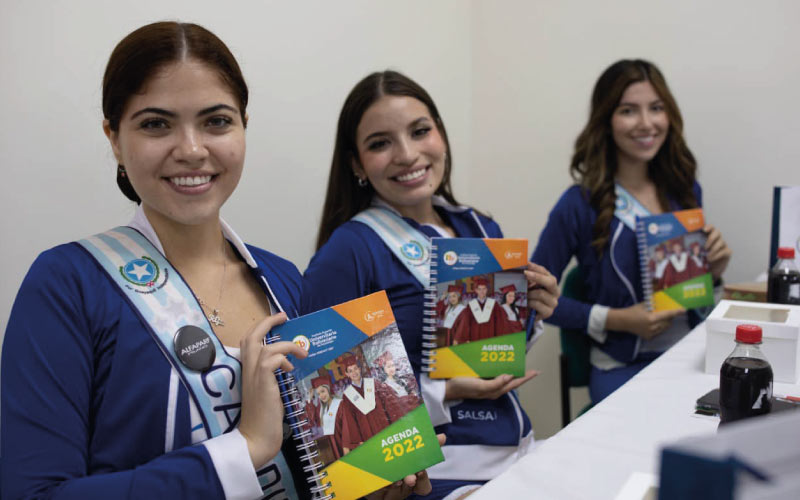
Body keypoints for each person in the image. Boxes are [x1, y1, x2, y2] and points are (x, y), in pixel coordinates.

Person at [0, 22, 432, 500]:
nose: (191, 149)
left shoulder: (284, 281)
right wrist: (242, 451)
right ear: (115, 138)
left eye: (216, 121)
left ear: (244, 125)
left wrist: (369, 485)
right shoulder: (68, 285)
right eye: (155, 124)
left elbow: (320, 467)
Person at [301, 70, 559, 499]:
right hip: (437, 473)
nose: (407, 154)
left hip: (521, 446)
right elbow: (330, 408)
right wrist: (445, 390)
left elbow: (496, 349)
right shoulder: (347, 253)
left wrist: (536, 309)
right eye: (380, 143)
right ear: (356, 163)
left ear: (440, 134)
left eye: (420, 131)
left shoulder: (477, 224)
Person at [532, 59, 732, 404]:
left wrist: (712, 273)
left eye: (656, 108)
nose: (646, 123)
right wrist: (617, 319)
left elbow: (687, 292)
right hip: (621, 367)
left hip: (691, 356)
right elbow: (531, 296)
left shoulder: (683, 189)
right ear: (606, 121)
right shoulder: (578, 204)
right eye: (628, 110)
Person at [336, 354, 394, 454]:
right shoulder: (347, 396)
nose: (354, 372)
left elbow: (388, 403)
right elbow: (350, 420)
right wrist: (358, 440)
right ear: (347, 374)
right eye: (350, 371)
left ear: (360, 369)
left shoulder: (373, 383)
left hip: (384, 426)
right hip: (366, 433)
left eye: (355, 368)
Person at [450, 278, 505, 344]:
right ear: (476, 290)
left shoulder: (494, 304)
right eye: (479, 289)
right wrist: (465, 338)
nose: (482, 291)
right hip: (475, 337)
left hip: (490, 336)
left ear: (487, 289)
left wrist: (498, 337)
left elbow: (499, 322)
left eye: (484, 289)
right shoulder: (471, 305)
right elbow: (465, 323)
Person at [311, 375, 343, 460]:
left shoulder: (339, 404)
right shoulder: (322, 408)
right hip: (335, 441)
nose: (321, 395)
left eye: (323, 391)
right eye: (318, 394)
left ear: (328, 389)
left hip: (344, 440)